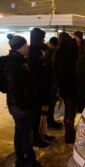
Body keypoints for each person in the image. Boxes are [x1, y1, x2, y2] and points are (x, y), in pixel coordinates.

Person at [5, 35, 41, 167]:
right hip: (20, 106)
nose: (28, 47)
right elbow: (14, 87)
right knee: (26, 134)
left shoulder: (19, 60)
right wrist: (23, 105)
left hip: (18, 104)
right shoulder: (15, 63)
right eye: (26, 45)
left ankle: (21, 159)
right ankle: (30, 162)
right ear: (20, 47)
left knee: (20, 132)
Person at [28, 28, 54, 148]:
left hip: (43, 87)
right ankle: (36, 138)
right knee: (36, 115)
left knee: (42, 113)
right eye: (42, 37)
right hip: (36, 89)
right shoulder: (33, 51)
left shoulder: (40, 49)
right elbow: (37, 70)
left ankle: (42, 133)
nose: (44, 40)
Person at [53, 32, 78, 143]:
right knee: (70, 110)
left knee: (69, 110)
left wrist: (59, 86)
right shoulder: (72, 51)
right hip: (72, 85)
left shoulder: (58, 52)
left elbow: (56, 71)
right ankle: (69, 135)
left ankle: (69, 133)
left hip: (64, 86)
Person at [44, 37, 63, 130]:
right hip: (51, 83)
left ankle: (50, 121)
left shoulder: (49, 52)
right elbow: (52, 70)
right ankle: (50, 122)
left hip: (51, 83)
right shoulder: (50, 53)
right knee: (50, 104)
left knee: (52, 104)